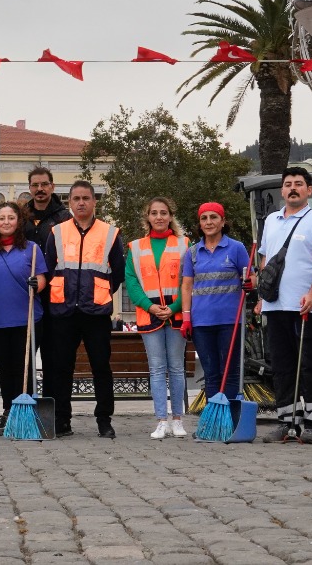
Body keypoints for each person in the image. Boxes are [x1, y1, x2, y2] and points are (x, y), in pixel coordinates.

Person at [258, 167, 312, 444]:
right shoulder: (270, 220)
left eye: (299, 184)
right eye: (288, 184)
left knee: (311, 365)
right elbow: (265, 261)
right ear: (282, 190)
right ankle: (286, 421)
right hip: (275, 306)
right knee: (282, 366)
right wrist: (261, 298)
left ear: (309, 190)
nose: (293, 188)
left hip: (307, 307)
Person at [43, 180, 127, 439]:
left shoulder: (111, 233)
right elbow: (47, 269)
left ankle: (104, 420)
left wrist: (98, 293)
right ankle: (62, 420)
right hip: (63, 311)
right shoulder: (56, 232)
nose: (81, 203)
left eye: (86, 198)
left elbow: (118, 272)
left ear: (94, 202)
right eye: (76, 198)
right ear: (69, 202)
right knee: (61, 368)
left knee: (100, 366)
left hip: (96, 312)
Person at [0, 201, 45, 435]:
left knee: (24, 368)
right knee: (5, 370)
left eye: (11, 218)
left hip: (27, 319)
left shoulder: (32, 249)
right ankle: (8, 412)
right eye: (1, 218)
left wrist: (38, 284)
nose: (6, 222)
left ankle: (27, 413)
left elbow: (42, 278)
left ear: (19, 221)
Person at [127, 197, 190, 439]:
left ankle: (177, 419)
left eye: (164, 212)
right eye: (154, 213)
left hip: (175, 314)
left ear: (171, 217)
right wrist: (150, 307)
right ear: (148, 217)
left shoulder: (185, 244)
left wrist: (174, 307)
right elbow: (131, 283)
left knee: (176, 368)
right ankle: (161, 420)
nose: (159, 217)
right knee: (156, 369)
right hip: (149, 315)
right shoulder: (135, 247)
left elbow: (188, 281)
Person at [179, 202, 250, 414]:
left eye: (213, 217)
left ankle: (229, 418)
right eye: (204, 218)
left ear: (223, 221)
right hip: (202, 322)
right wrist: (186, 318)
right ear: (199, 224)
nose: (209, 222)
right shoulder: (192, 253)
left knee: (229, 372)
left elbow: (250, 276)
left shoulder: (236, 248)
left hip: (230, 321)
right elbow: (187, 286)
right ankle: (215, 418)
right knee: (210, 374)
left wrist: (249, 282)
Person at [20, 166, 72, 384]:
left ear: (52, 187)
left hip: (56, 295)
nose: (39, 189)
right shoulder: (21, 216)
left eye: (44, 185)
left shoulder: (64, 218)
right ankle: (27, 402)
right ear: (30, 188)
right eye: (35, 185)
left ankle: (56, 409)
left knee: (54, 355)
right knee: (26, 354)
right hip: (28, 294)